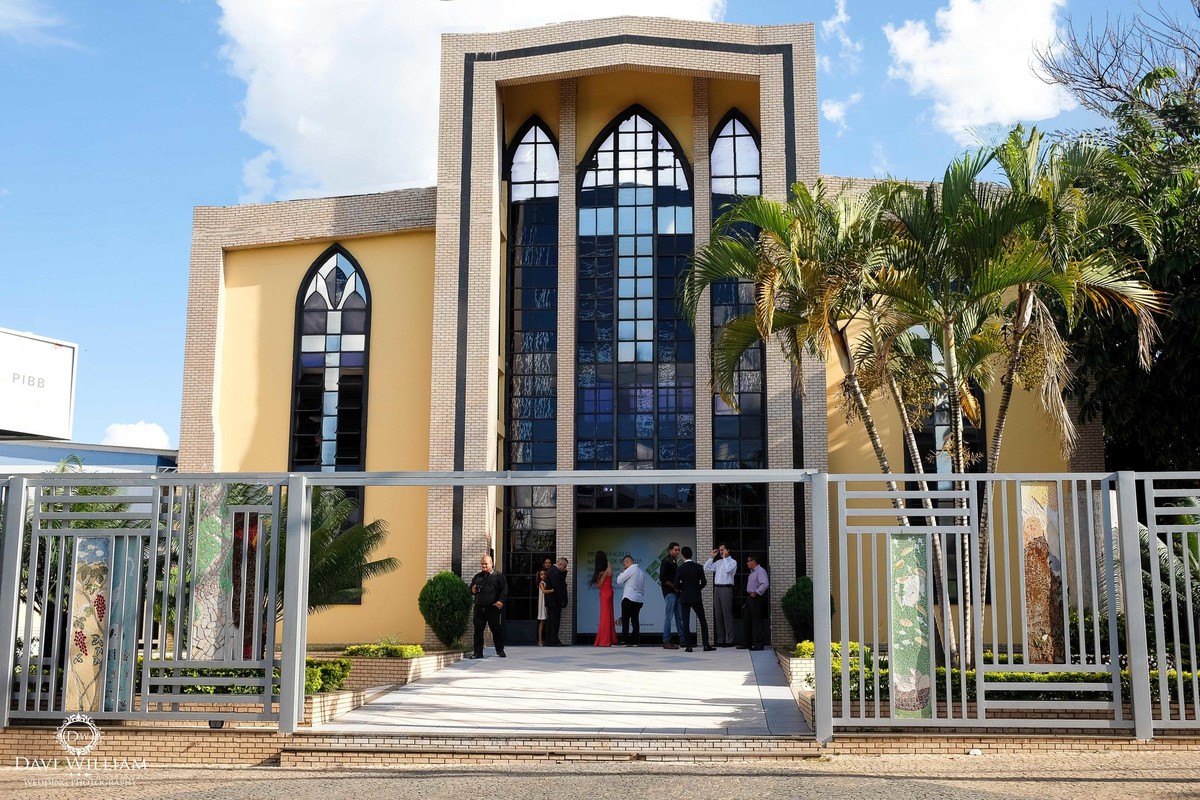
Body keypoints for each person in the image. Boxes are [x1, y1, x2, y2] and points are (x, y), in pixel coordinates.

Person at [676, 546, 715, 653]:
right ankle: (706, 645)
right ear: (691, 554)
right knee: (702, 620)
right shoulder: (698, 567)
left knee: (686, 621)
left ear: (683, 556)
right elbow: (704, 582)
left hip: (684, 598)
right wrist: (696, 589)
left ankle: (689, 646)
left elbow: (676, 584)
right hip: (696, 597)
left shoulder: (680, 568)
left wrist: (683, 589)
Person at [468, 554, 507, 659]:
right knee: (478, 631)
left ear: (492, 563)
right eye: (482, 564)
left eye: (485, 564)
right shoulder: (477, 577)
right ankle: (478, 653)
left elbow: (504, 590)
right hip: (479, 608)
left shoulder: (498, 576)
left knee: (496, 630)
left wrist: (501, 601)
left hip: (493, 608)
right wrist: (473, 590)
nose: (483, 566)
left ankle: (500, 650)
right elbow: (471, 590)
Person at [703, 542, 737, 647]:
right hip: (717, 588)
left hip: (726, 588)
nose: (721, 552)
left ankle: (729, 640)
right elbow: (706, 568)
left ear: (728, 550)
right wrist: (711, 557)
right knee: (718, 615)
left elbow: (728, 570)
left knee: (727, 614)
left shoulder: (732, 562)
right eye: (720, 550)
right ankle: (720, 639)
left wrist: (726, 558)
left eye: (723, 550)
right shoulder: (718, 562)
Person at [739, 554, 770, 651]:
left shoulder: (761, 571)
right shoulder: (752, 572)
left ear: (754, 562)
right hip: (750, 598)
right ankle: (747, 643)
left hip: (757, 598)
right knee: (747, 620)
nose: (747, 563)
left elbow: (765, 583)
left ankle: (759, 644)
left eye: (749, 561)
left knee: (757, 621)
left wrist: (756, 592)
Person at [615, 554, 646, 646]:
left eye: (624, 564)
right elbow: (643, 587)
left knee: (625, 619)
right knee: (635, 620)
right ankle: (635, 640)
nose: (624, 567)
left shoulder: (631, 569)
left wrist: (622, 572)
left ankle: (624, 640)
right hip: (639, 599)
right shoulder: (641, 572)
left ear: (627, 562)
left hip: (629, 598)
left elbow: (619, 580)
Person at [659, 542, 685, 650]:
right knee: (669, 617)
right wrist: (674, 586)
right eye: (675, 550)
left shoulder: (674, 562)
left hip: (676, 592)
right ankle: (666, 640)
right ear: (670, 550)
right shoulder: (666, 561)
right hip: (669, 592)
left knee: (679, 617)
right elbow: (663, 578)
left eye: (678, 550)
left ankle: (683, 639)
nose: (677, 552)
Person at [590, 551, 617, 647]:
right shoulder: (609, 565)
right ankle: (611, 638)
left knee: (605, 616)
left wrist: (599, 576)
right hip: (610, 591)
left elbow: (599, 585)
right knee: (609, 614)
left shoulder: (602, 571)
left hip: (605, 593)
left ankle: (604, 639)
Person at [544, 557, 569, 646]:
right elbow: (557, 587)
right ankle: (553, 640)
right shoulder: (555, 572)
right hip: (554, 601)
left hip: (552, 601)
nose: (564, 568)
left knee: (551, 621)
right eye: (564, 566)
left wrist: (564, 572)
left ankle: (550, 640)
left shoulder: (554, 571)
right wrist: (561, 601)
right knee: (554, 621)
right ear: (560, 564)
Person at [536, 568, 550, 646]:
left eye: (544, 574)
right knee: (542, 622)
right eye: (541, 574)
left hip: (545, 603)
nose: (543, 576)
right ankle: (540, 640)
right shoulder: (541, 583)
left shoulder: (545, 582)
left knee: (544, 622)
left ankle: (543, 640)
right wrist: (552, 590)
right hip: (542, 604)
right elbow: (544, 591)